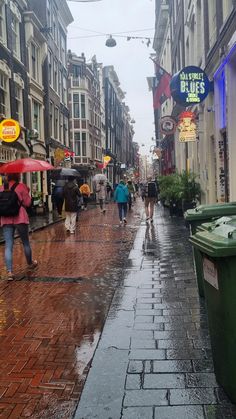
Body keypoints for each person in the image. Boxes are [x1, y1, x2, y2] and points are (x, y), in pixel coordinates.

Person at [0, 173, 38, 280]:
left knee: (8, 245)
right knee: (25, 242)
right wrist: (27, 192)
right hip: (20, 218)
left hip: (6, 218)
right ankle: (30, 263)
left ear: (7, 177)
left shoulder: (1, 188)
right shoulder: (21, 186)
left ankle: (9, 272)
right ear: (18, 177)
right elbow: (28, 203)